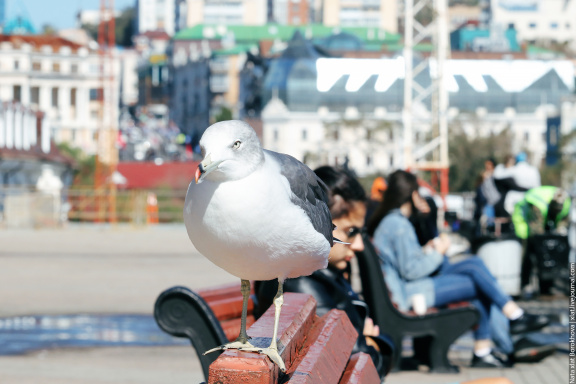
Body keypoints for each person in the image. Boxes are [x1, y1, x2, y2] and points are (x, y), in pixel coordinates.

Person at [366, 170, 552, 368]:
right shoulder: (398, 225)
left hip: (409, 289)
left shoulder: (392, 222)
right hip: (411, 293)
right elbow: (411, 271)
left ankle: (508, 322)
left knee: (473, 265)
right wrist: (439, 252)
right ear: (411, 195)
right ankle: (499, 333)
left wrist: (428, 250)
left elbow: (406, 264)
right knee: (476, 280)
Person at [255, 166, 394, 379]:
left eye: (361, 232)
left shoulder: (318, 272)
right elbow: (363, 365)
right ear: (318, 220)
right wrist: (373, 342)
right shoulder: (301, 284)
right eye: (351, 231)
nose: (357, 245)